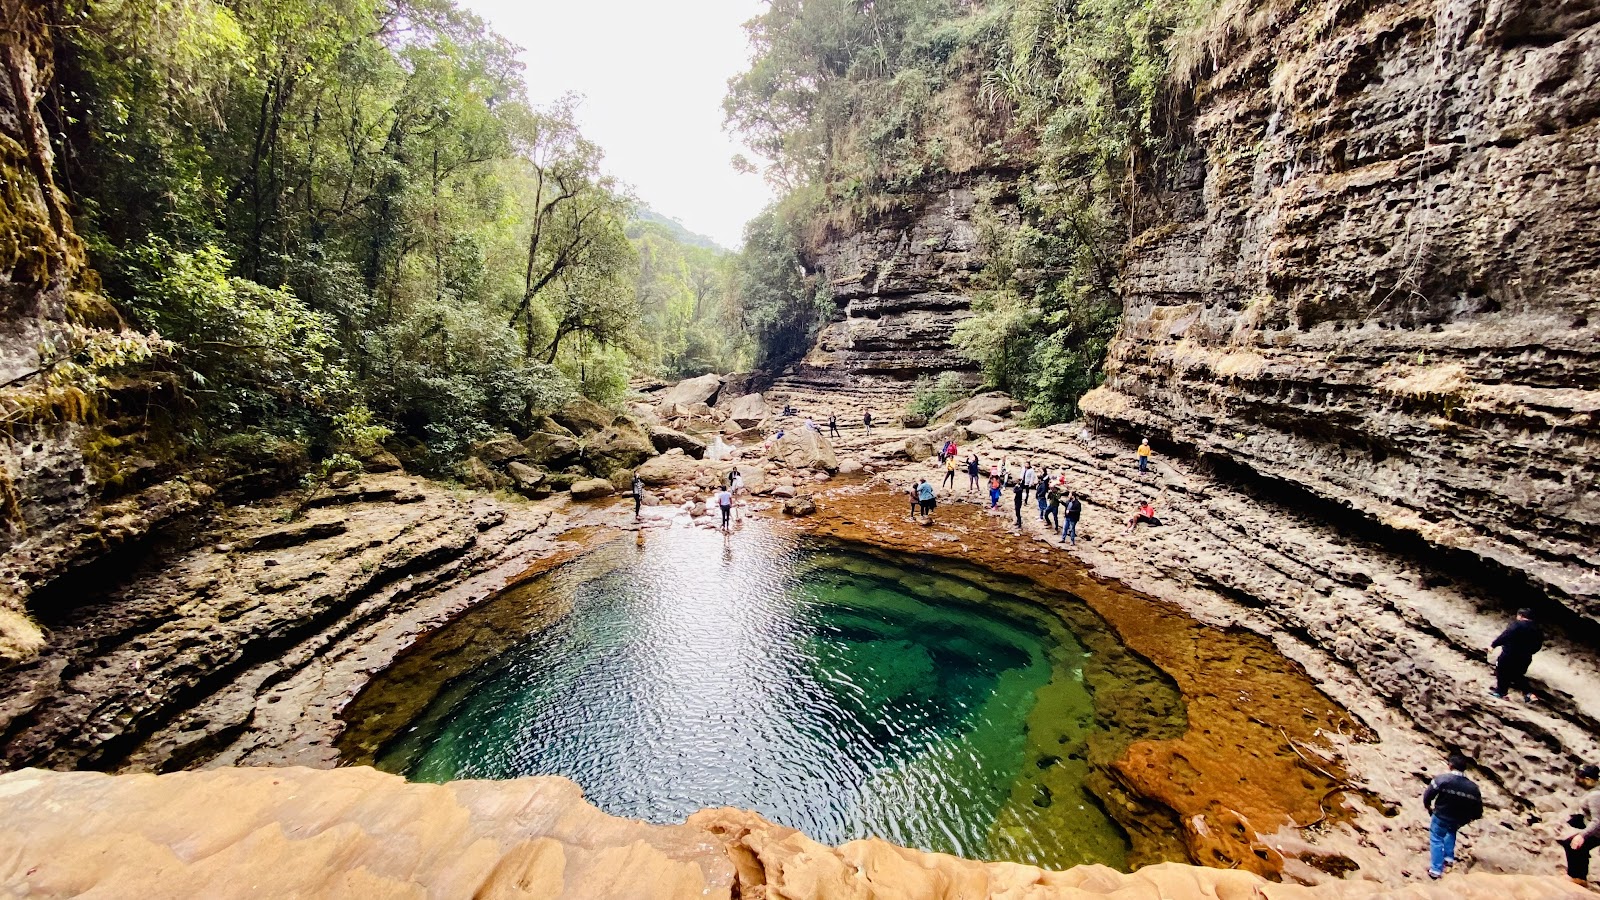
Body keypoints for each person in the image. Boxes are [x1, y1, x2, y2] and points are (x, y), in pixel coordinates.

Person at [1422, 753, 1483, 879]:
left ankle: (1436, 869)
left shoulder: (1442, 779)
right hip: (1458, 817)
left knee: (1436, 838)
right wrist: (1468, 819)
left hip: (1441, 815)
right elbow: (1478, 810)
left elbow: (1428, 795)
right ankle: (1448, 857)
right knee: (1451, 832)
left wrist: (1428, 807)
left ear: (1450, 766)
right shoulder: (1473, 788)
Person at [1489, 609, 1544, 700]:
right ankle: (1529, 694)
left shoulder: (1517, 625)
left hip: (1510, 654)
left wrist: (1493, 645)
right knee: (1517, 675)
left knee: (1502, 671)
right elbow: (1538, 645)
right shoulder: (1537, 629)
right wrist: (1529, 652)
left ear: (1521, 616)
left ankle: (1500, 692)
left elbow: (1506, 635)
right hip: (1525, 657)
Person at [1564, 764, 1600, 884]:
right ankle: (1578, 877)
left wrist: (1582, 835)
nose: (1576, 779)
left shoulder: (1595, 795)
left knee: (1573, 844)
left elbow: (1597, 820)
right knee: (1575, 845)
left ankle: (1578, 878)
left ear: (1588, 780)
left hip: (1598, 831)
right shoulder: (1594, 791)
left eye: (1579, 777)